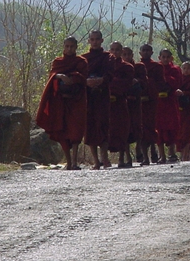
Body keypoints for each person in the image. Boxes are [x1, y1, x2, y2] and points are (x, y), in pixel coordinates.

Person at [35, 36, 88, 170]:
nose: (69, 49)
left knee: (76, 131)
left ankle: (75, 162)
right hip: (60, 102)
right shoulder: (58, 62)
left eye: (72, 47)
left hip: (76, 101)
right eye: (67, 46)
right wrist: (60, 76)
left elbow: (83, 78)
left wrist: (74, 77)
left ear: (76, 47)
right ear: (64, 47)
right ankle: (69, 163)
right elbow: (52, 75)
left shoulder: (81, 62)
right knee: (62, 130)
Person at [83, 30, 113, 169]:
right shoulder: (84, 59)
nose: (95, 41)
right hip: (89, 97)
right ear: (89, 41)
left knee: (103, 125)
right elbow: (80, 75)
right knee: (90, 128)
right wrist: (86, 81)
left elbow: (110, 74)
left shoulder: (108, 57)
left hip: (102, 96)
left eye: (97, 39)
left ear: (102, 40)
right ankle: (96, 161)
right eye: (92, 39)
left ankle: (104, 158)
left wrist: (101, 80)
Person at [107, 41, 135, 168]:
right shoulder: (104, 64)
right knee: (106, 130)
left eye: (117, 50)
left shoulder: (127, 67)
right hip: (106, 103)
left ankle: (121, 158)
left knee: (122, 130)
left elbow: (127, 83)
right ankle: (104, 159)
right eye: (112, 49)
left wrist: (112, 82)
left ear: (121, 52)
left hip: (120, 102)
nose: (114, 52)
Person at [137, 44, 163, 165]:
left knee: (151, 126)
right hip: (140, 102)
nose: (146, 52)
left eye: (148, 50)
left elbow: (160, 84)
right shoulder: (136, 67)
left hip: (152, 102)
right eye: (144, 50)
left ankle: (154, 151)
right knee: (142, 128)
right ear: (140, 53)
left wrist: (151, 92)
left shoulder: (157, 66)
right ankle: (145, 156)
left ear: (152, 52)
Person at [123, 46, 148, 166]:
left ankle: (139, 150)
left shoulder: (139, 67)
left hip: (137, 102)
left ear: (133, 55)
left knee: (137, 126)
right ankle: (127, 157)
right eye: (125, 54)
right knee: (125, 129)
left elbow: (145, 83)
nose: (127, 57)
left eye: (129, 54)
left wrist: (137, 81)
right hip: (123, 102)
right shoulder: (119, 67)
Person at [156, 49, 182, 164]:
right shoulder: (156, 68)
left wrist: (166, 80)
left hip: (171, 101)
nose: (165, 59)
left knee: (172, 127)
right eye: (163, 57)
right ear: (159, 58)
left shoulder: (175, 69)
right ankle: (162, 155)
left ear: (171, 58)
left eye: (168, 57)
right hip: (159, 103)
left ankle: (172, 152)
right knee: (159, 128)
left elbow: (178, 82)